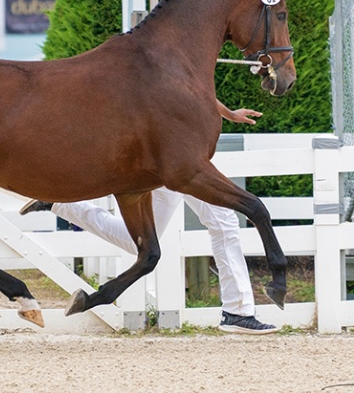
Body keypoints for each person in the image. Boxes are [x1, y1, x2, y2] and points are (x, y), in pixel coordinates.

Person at [20, 101, 279, 335]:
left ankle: (60, 205)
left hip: (171, 159)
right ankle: (238, 312)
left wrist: (228, 113)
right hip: (177, 162)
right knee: (222, 224)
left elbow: (194, 93)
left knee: (145, 238)